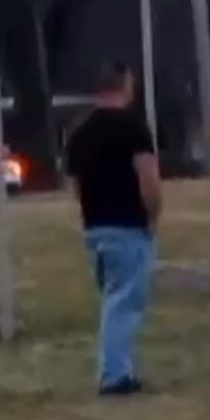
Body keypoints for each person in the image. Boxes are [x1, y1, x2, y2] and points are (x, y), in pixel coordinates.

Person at [65, 62, 162, 396]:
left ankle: (122, 368)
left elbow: (76, 184)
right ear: (125, 85)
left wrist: (89, 214)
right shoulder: (133, 127)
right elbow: (148, 177)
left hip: (96, 228)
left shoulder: (80, 132)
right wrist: (152, 215)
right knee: (124, 303)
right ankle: (114, 376)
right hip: (129, 225)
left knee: (113, 299)